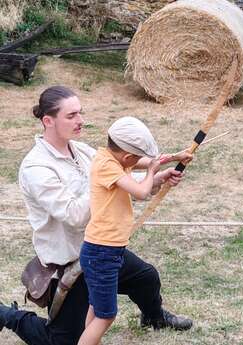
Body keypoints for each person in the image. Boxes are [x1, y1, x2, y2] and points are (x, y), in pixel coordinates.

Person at [0, 86, 193, 345]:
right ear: (48, 121)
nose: (80, 120)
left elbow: (119, 167)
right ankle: (7, 315)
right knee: (62, 341)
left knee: (146, 277)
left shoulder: (79, 149)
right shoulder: (36, 167)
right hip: (70, 264)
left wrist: (155, 177)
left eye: (80, 113)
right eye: (71, 116)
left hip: (101, 248)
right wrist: (125, 183)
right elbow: (75, 214)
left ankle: (153, 317)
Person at [78, 116, 190, 345]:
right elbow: (140, 192)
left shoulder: (110, 157)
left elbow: (145, 162)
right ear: (127, 156)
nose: (138, 161)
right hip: (102, 252)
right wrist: (151, 173)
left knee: (95, 307)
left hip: (106, 250)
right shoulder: (107, 165)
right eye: (136, 158)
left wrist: (176, 158)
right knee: (106, 315)